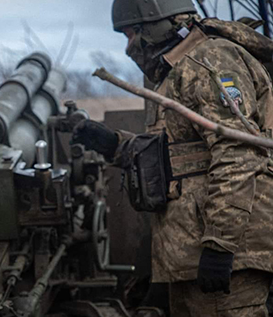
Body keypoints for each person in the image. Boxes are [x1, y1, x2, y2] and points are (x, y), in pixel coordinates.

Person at [73, 0, 273, 315]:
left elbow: (239, 153)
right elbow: (179, 157)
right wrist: (113, 144)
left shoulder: (208, 60)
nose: (128, 49)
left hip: (228, 254)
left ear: (152, 27)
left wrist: (220, 245)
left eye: (129, 35)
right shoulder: (178, 71)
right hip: (191, 254)